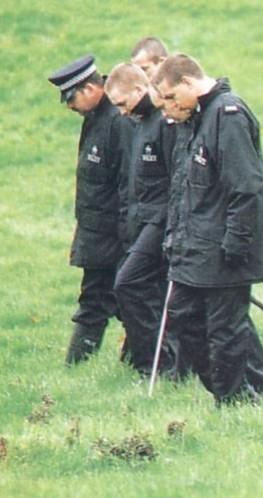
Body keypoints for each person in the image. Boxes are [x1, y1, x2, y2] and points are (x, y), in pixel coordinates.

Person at [152, 53, 263, 404]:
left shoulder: (228, 114)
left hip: (224, 249)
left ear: (189, 83)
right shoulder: (194, 118)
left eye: (172, 98)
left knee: (225, 331)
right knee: (182, 321)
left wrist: (235, 243)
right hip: (194, 248)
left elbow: (246, 186)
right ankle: (236, 396)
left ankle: (232, 402)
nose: (168, 108)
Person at [48, 55, 133, 364]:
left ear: (90, 88)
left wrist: (126, 236)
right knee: (112, 302)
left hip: (113, 236)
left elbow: (127, 183)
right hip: (97, 234)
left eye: (71, 97)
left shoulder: (118, 121)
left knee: (102, 302)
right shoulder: (95, 119)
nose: (70, 106)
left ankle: (77, 365)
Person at [104, 63, 176, 375]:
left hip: (160, 223)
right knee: (142, 289)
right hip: (142, 221)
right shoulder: (140, 123)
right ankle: (153, 361)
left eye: (122, 103)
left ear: (138, 90)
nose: (120, 112)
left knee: (128, 284)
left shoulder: (163, 121)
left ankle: (154, 364)